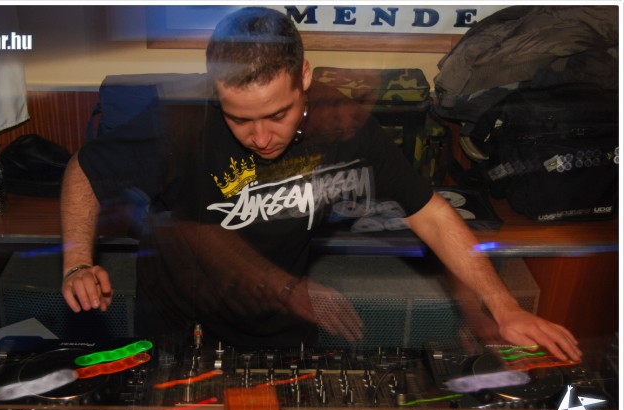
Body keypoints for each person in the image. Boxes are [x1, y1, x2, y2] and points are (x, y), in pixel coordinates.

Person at [60, 6, 581, 361]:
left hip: (277, 321)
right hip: (180, 324)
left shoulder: (343, 124)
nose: (260, 137)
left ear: (304, 77)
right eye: (239, 118)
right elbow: (84, 170)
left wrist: (503, 306)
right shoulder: (177, 120)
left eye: (278, 114)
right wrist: (78, 262)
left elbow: (433, 213)